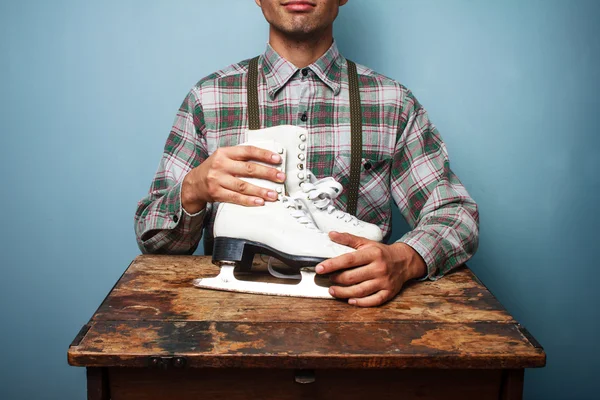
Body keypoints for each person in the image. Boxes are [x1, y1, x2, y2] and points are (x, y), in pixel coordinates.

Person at [134, 0, 479, 307]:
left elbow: (455, 214)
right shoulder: (209, 99)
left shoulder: (393, 103)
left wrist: (405, 259)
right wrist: (193, 188)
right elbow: (153, 239)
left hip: (359, 320)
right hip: (232, 320)